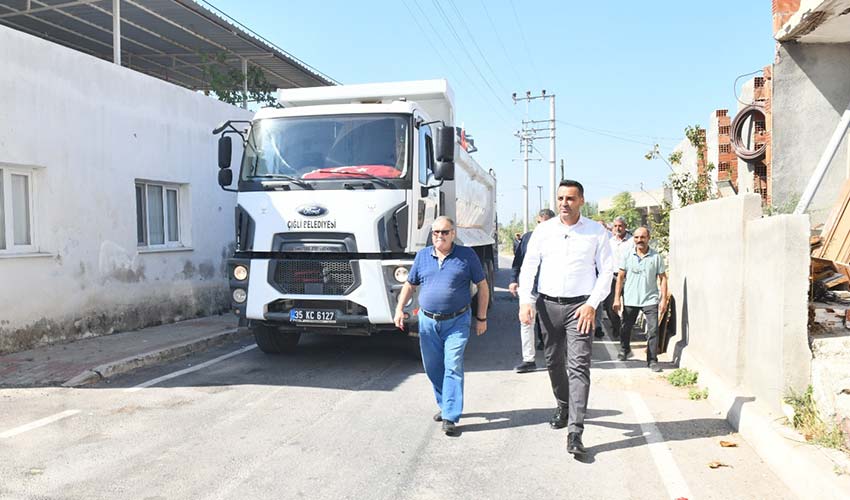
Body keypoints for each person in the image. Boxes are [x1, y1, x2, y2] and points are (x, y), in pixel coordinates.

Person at [518, 180, 613, 456]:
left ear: (581, 200)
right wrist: (526, 300)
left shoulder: (596, 232)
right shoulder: (544, 231)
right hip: (548, 307)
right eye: (560, 198)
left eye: (570, 198)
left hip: (580, 309)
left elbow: (607, 272)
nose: (564, 203)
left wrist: (592, 305)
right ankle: (563, 403)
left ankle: (575, 431)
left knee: (580, 366)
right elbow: (529, 266)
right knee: (553, 361)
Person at [394, 216, 489, 436]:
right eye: (435, 232)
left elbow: (482, 287)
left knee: (453, 364)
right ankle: (445, 403)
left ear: (453, 234)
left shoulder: (466, 256)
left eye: (444, 232)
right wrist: (399, 309)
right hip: (428, 322)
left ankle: (450, 416)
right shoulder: (422, 256)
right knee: (433, 367)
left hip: (457, 321)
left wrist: (481, 318)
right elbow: (409, 285)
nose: (439, 236)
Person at [613, 226, 668, 372]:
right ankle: (624, 349)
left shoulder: (656, 257)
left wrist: (663, 300)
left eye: (642, 237)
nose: (639, 240)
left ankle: (652, 360)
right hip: (631, 299)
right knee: (625, 328)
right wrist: (617, 298)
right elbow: (620, 277)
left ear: (648, 238)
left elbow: (662, 278)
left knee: (653, 330)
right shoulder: (627, 255)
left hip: (650, 299)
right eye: (636, 237)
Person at [509, 208, 556, 373]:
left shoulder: (559, 237)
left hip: (551, 288)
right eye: (539, 223)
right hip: (529, 288)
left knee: (551, 325)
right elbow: (518, 260)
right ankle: (528, 360)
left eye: (545, 223)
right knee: (526, 322)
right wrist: (513, 280)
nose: (541, 226)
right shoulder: (528, 237)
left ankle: (555, 359)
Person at [597, 216, 633, 339]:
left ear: (625, 227)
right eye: (616, 226)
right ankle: (616, 326)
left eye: (620, 226)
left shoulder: (632, 241)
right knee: (610, 305)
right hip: (613, 277)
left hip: (628, 277)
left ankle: (626, 330)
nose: (618, 228)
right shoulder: (610, 242)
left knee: (629, 306)